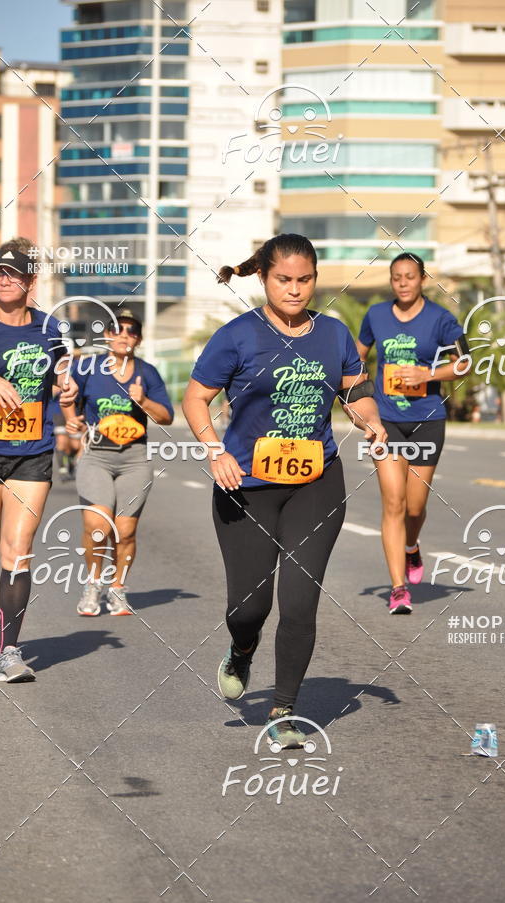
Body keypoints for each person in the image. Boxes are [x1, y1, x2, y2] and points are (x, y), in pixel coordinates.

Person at [183, 233, 386, 749]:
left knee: (300, 601)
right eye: (284, 280)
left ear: (315, 279)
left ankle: (285, 711)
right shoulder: (236, 336)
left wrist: (370, 420)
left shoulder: (334, 334)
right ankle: (242, 647)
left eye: (305, 280)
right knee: (249, 607)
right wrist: (215, 451)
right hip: (245, 486)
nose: (295, 290)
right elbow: (196, 398)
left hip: (317, 483)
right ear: (264, 278)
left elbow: (354, 387)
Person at [357, 252, 470, 614]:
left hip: (426, 420)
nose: (403, 283)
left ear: (422, 279)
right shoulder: (375, 315)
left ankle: (411, 546)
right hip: (386, 421)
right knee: (393, 502)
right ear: (391, 282)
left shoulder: (441, 319)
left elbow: (465, 362)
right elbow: (356, 359)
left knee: (414, 506)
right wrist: (359, 401)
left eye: (409, 276)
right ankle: (398, 588)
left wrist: (428, 375)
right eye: (396, 277)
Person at [0, 238, 77, 682]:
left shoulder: (50, 329)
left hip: (32, 452)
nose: (4, 280)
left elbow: (63, 375)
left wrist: (68, 390)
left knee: (18, 553)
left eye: (14, 273)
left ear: (30, 281)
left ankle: (9, 652)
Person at [64, 309, 173, 616]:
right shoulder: (88, 367)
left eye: (132, 331)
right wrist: (74, 423)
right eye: (118, 329)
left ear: (139, 338)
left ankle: (118, 588)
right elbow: (67, 396)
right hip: (96, 455)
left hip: (135, 459)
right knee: (97, 526)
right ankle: (93, 583)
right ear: (108, 335)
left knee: (125, 531)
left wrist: (144, 401)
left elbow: (166, 416)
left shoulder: (147, 373)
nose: (125, 334)